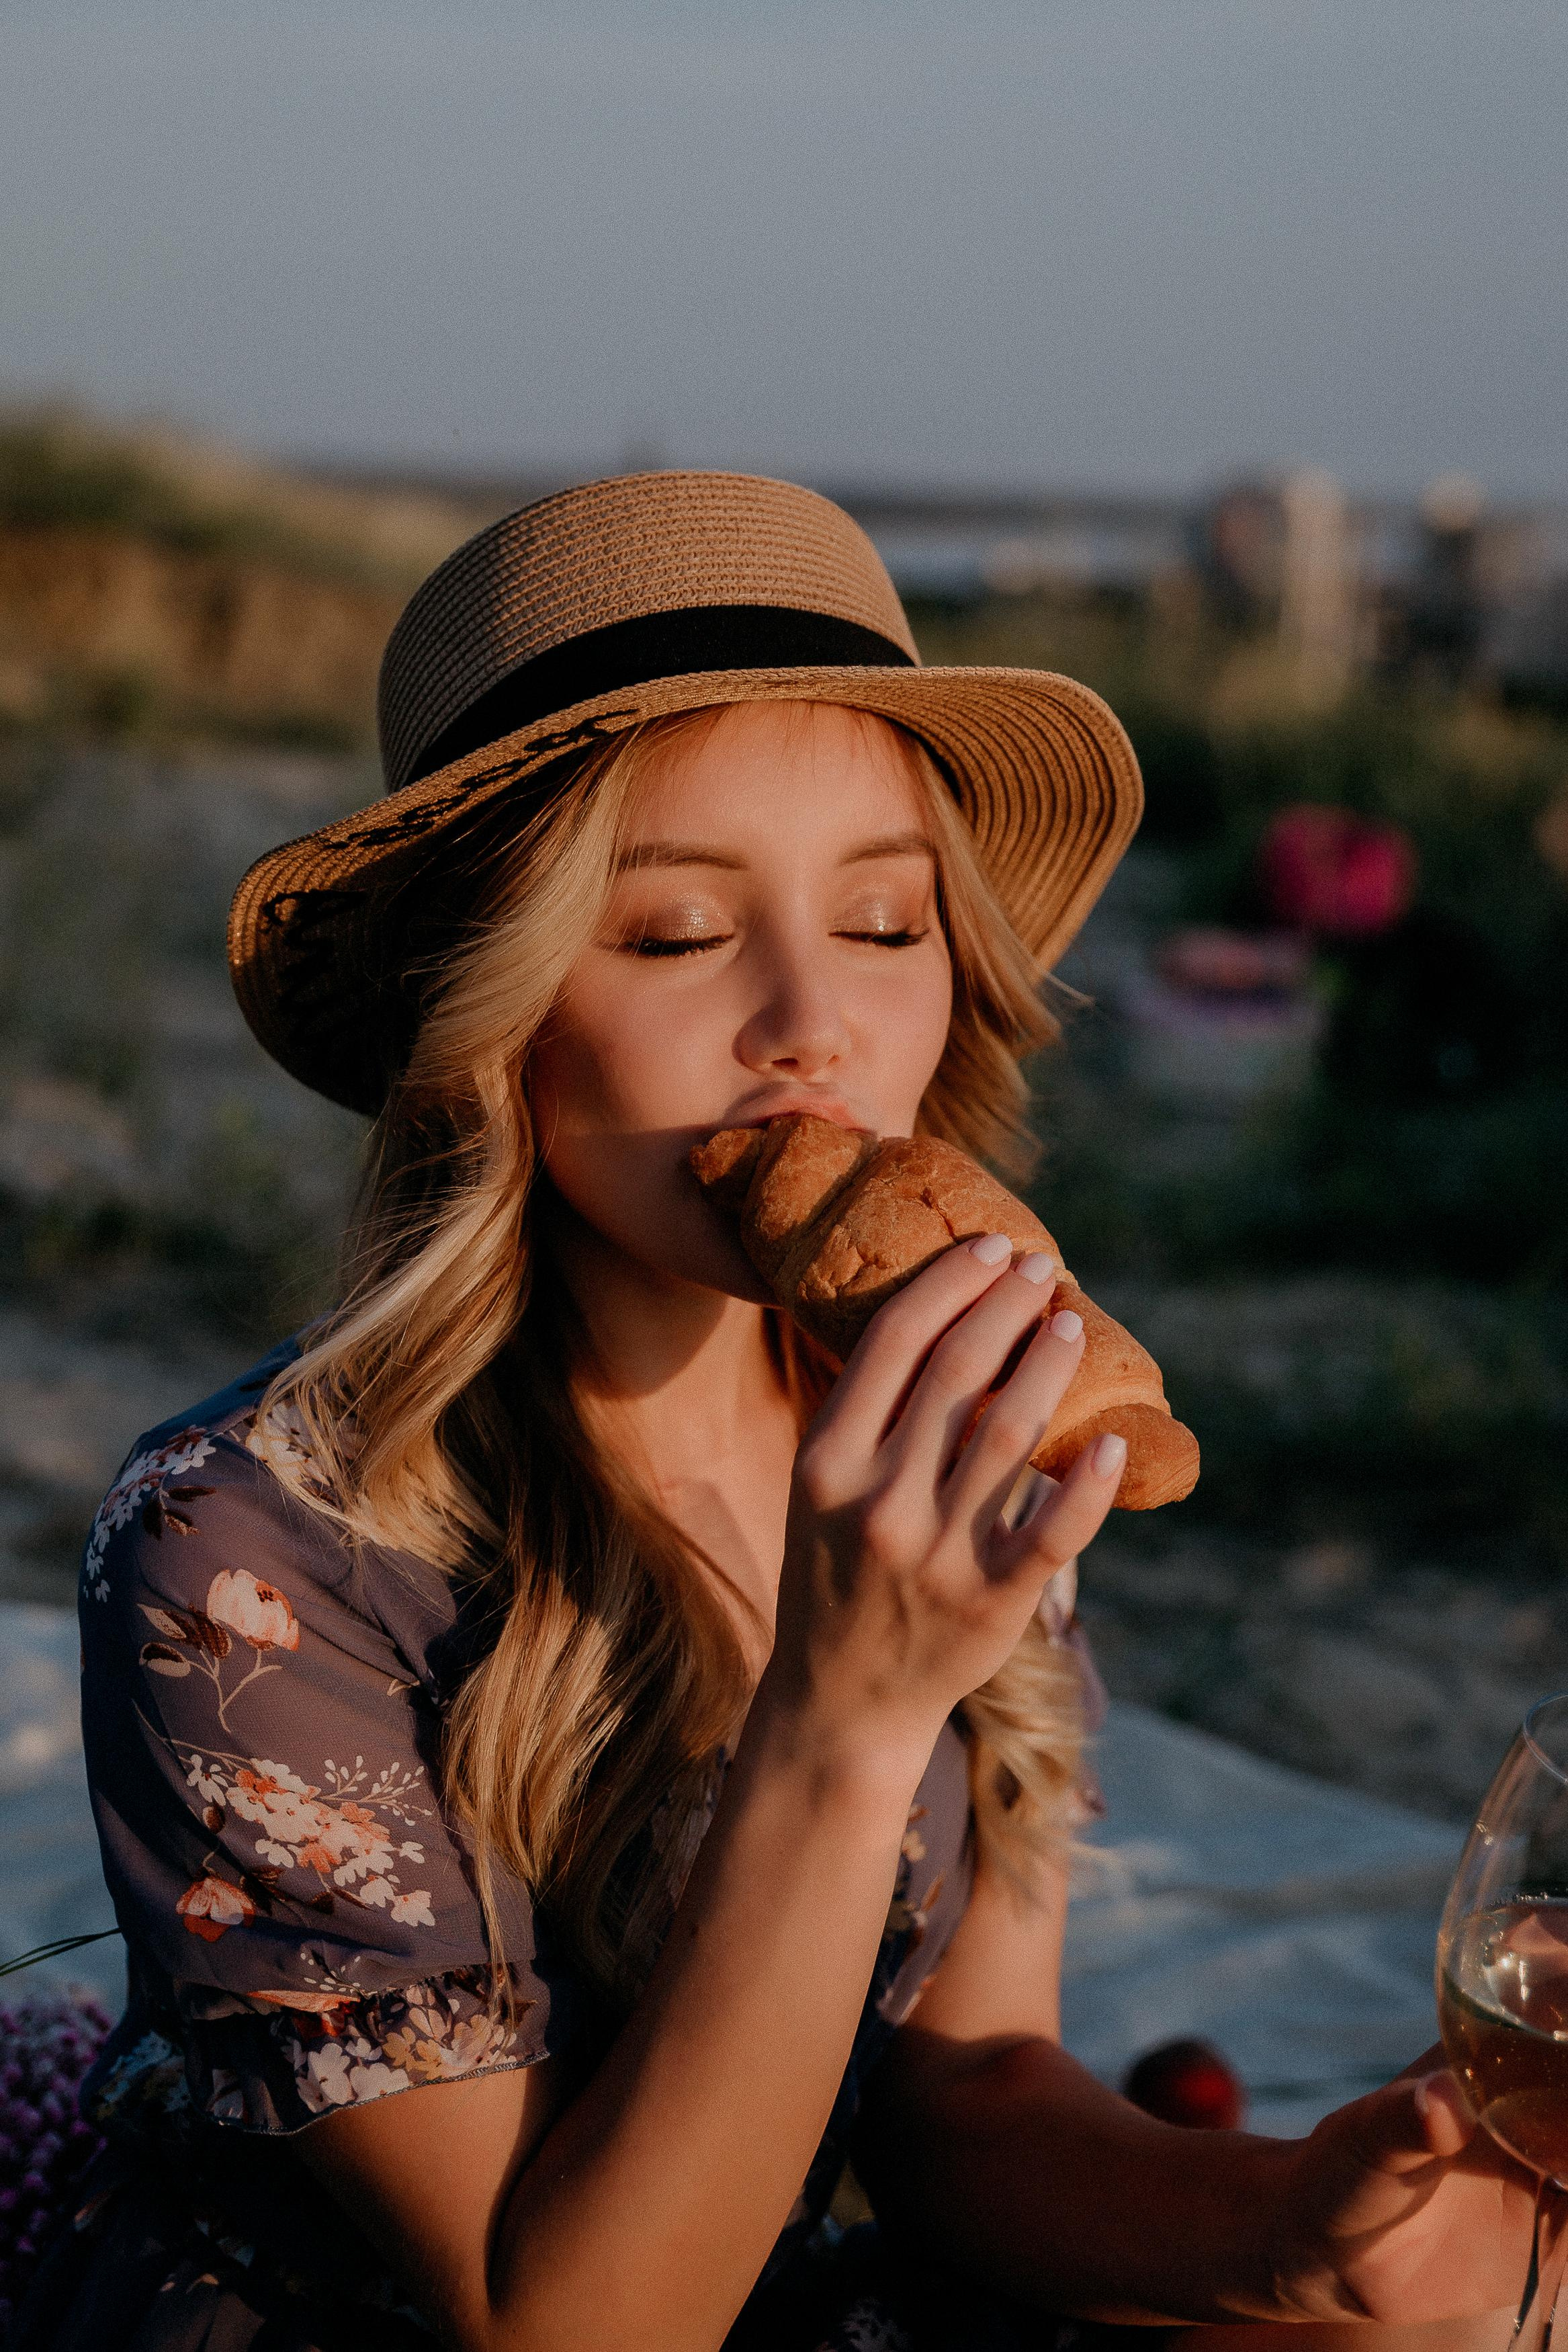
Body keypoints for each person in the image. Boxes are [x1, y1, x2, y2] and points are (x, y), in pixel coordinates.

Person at [20, 473, 1526, 2352]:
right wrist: (847, 1709)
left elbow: (963, 2095)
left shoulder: (948, 1434)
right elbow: (562, 2325)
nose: (815, 1023)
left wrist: (1289, 2224)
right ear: (486, 1014)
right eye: (672, 934)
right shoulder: (242, 1554)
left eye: (887, 922)